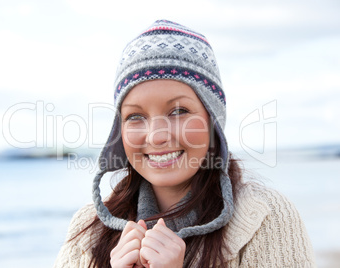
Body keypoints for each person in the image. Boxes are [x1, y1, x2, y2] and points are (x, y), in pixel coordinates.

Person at [54, 20, 316, 267]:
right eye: (135, 116)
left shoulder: (265, 217)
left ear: (212, 121)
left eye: (178, 111)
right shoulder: (87, 229)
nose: (157, 136)